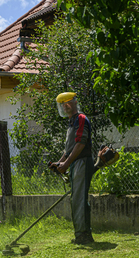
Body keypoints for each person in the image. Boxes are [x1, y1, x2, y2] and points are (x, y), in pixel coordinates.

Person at [50, 92, 95, 245]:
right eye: (63, 104)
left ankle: (83, 236)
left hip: (82, 162)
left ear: (74, 103)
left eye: (67, 102)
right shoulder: (71, 122)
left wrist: (67, 164)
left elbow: (81, 143)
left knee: (79, 199)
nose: (65, 106)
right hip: (76, 162)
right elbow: (68, 150)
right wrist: (59, 163)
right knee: (77, 199)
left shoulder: (81, 119)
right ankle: (83, 233)